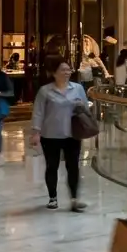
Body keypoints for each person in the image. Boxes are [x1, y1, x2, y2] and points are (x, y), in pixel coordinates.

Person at [30, 62, 90, 212]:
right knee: (52, 166)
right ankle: (53, 198)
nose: (67, 72)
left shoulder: (77, 88)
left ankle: (74, 199)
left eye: (69, 70)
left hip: (72, 134)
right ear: (54, 73)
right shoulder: (45, 91)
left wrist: (81, 107)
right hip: (50, 135)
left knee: (73, 167)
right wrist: (36, 132)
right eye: (63, 70)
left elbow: (86, 108)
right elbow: (38, 112)